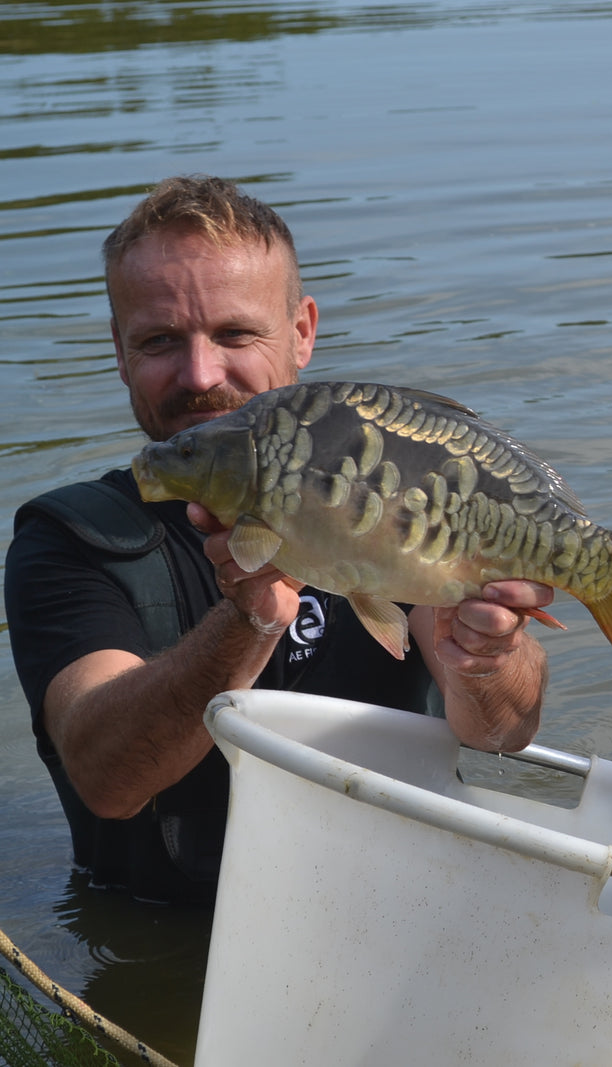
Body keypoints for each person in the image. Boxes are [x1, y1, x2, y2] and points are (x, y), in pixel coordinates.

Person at [6, 175, 552, 905]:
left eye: (235, 334)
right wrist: (248, 620)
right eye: (160, 340)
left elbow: (503, 732)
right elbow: (107, 779)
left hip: (405, 905)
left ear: (301, 332)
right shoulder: (69, 537)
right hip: (174, 931)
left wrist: (487, 659)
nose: (200, 374)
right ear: (119, 349)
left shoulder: (394, 485)